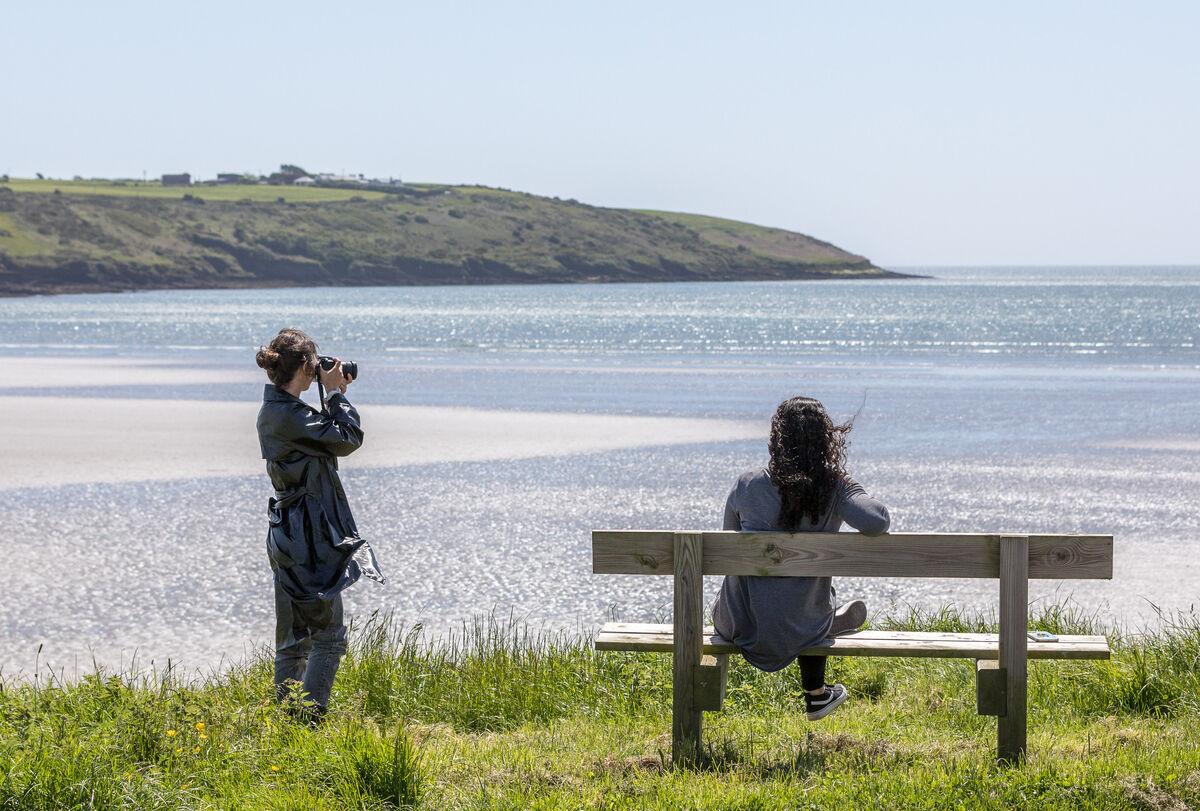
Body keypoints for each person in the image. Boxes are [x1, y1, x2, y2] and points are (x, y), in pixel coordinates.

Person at [712, 396, 889, 721]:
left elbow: (727, 558)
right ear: (826, 442)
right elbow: (877, 521)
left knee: (779, 600)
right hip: (805, 625)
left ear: (776, 441)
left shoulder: (747, 485)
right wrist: (845, 484)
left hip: (737, 624)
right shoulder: (832, 488)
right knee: (810, 608)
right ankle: (818, 687)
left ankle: (827, 627)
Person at [255, 328, 385, 719]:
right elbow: (347, 438)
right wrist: (336, 394)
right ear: (307, 369)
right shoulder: (289, 416)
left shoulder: (281, 410)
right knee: (328, 638)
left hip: (291, 536)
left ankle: (289, 724)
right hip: (308, 539)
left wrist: (327, 392)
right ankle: (308, 724)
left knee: (294, 641)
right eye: (316, 366)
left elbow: (330, 439)